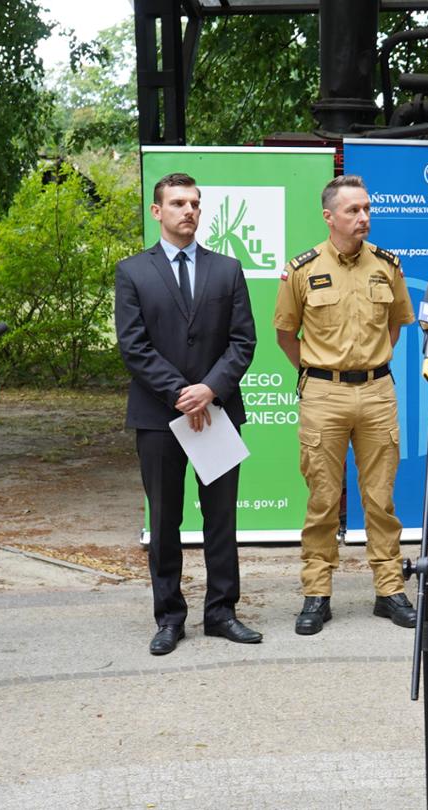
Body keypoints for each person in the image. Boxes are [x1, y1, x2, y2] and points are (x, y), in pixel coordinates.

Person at [115, 172, 260, 655]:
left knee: (221, 519)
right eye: (178, 203)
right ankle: (169, 617)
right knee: (165, 520)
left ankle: (221, 612)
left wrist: (210, 390)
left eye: (195, 203)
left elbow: (244, 341)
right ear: (157, 212)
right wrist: (182, 393)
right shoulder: (132, 271)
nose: (189, 211)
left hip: (217, 412)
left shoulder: (227, 269)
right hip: (159, 417)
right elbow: (133, 347)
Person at [273, 174, 417, 635]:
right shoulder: (302, 269)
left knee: (381, 499)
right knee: (321, 499)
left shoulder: (387, 266)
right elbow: (285, 334)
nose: (364, 218)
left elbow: (395, 328)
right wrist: (320, 373)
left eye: (368, 209)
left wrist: (367, 365)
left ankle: (389, 589)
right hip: (323, 393)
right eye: (354, 211)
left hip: (377, 392)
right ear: (329, 216)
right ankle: (317, 593)